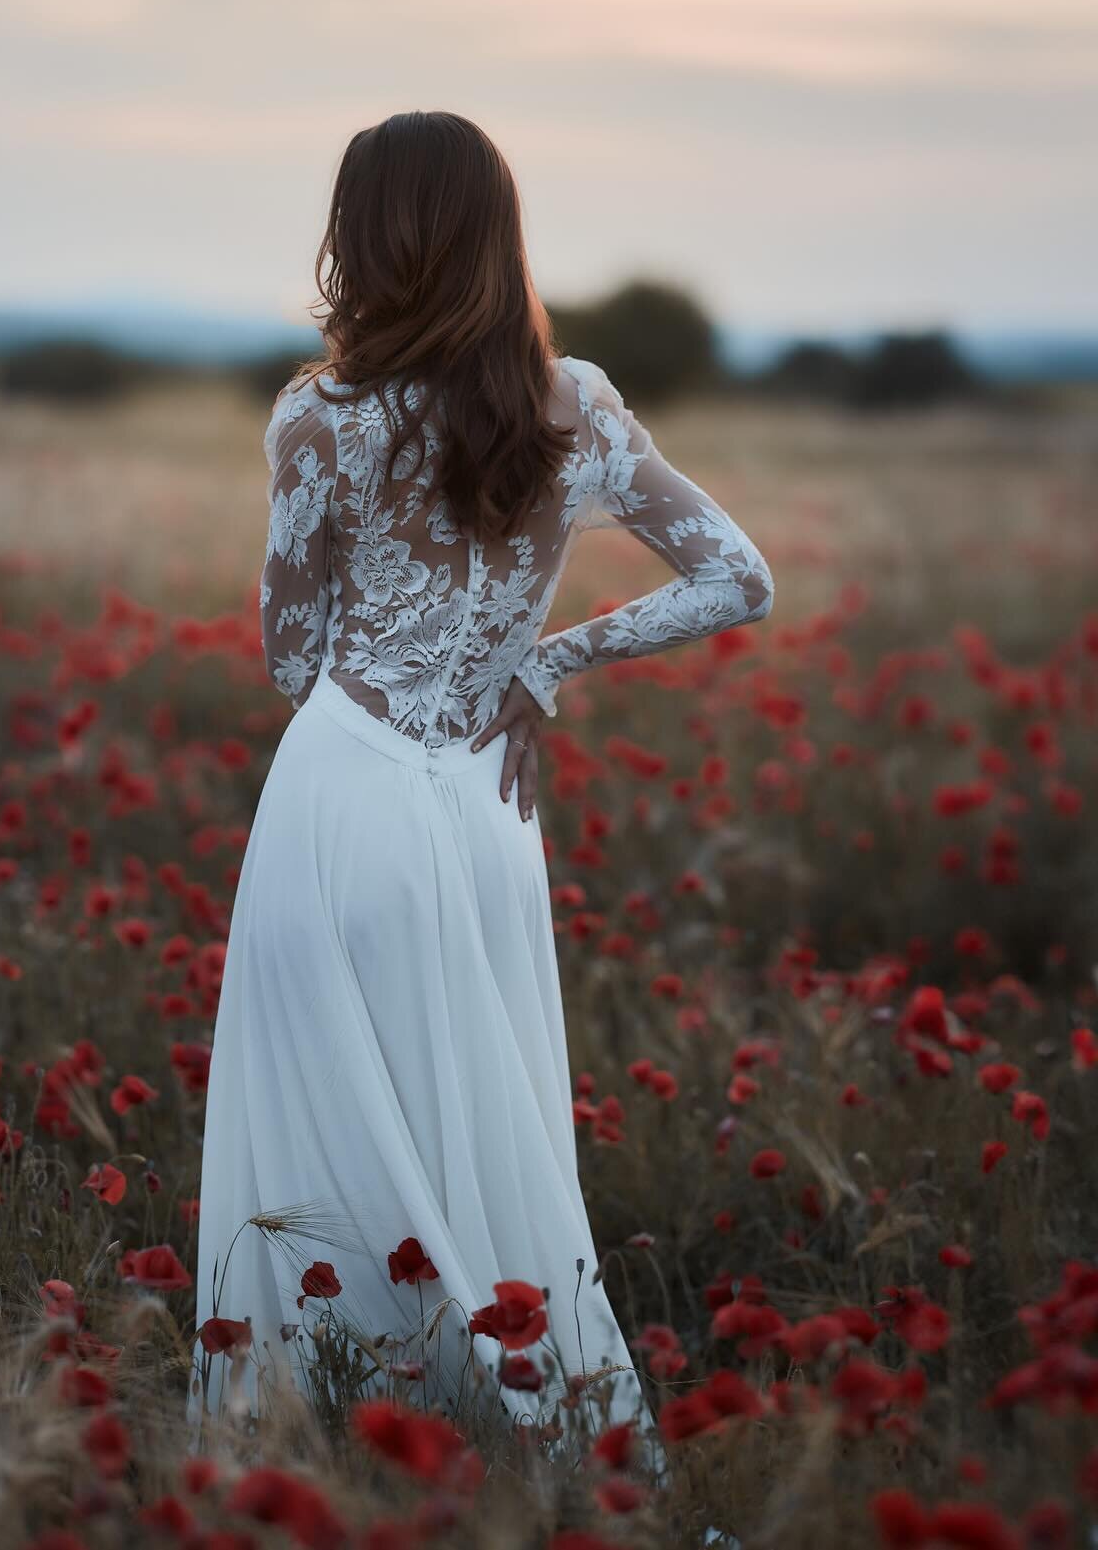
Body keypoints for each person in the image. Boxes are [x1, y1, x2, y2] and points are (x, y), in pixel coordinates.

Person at [188, 112, 773, 1460]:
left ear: (367, 238)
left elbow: (287, 659)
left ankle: (321, 1438)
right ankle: (523, 1437)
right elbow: (740, 576)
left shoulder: (315, 420)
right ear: (497, 236)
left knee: (320, 1131)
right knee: (484, 1132)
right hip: (487, 814)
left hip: (343, 801)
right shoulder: (584, 409)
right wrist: (550, 663)